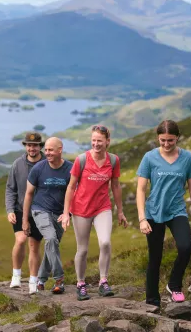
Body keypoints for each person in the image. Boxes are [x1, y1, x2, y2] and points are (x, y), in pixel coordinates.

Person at [136, 120, 191, 309]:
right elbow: (141, 189)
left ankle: (174, 284)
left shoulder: (187, 158)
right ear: (158, 138)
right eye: (163, 140)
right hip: (154, 212)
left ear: (177, 138)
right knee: (155, 258)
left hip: (177, 211)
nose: (166, 144)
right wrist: (142, 218)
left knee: (185, 247)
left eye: (170, 141)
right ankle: (152, 302)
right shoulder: (149, 157)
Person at [62, 125, 128, 301]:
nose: (96, 144)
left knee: (105, 243)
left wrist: (120, 211)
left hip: (102, 208)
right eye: (93, 140)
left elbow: (115, 185)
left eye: (99, 140)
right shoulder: (81, 160)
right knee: (82, 249)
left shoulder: (113, 160)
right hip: (81, 209)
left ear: (107, 142)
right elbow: (71, 186)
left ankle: (103, 281)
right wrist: (65, 212)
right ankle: (81, 284)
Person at [22, 137, 73, 294]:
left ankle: (41, 280)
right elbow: (29, 194)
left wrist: (68, 214)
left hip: (60, 214)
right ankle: (59, 279)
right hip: (40, 210)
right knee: (51, 239)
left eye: (51, 150)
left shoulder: (70, 169)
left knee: (52, 246)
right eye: (46, 150)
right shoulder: (38, 168)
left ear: (60, 150)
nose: (47, 153)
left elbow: (74, 194)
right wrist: (25, 220)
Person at [5, 132, 45, 294]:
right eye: (29, 145)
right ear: (25, 146)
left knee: (34, 246)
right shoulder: (18, 164)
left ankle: (33, 281)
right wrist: (9, 210)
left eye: (35, 145)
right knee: (21, 240)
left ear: (40, 146)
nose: (32, 148)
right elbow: (10, 189)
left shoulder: (47, 163)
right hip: (20, 209)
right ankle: (16, 275)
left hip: (40, 211)